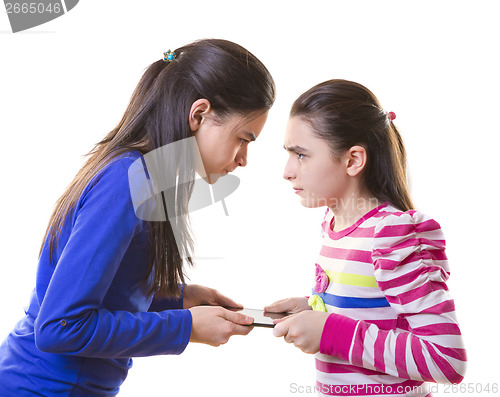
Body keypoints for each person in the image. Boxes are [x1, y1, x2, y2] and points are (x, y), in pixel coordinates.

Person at [0, 38, 275, 396]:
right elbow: (61, 327)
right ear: (199, 115)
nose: (243, 159)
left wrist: (178, 298)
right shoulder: (127, 181)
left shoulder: (144, 176)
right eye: (243, 138)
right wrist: (185, 327)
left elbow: (106, 294)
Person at [266, 79, 466, 396]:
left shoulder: (392, 234)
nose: (287, 171)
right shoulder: (333, 225)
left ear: (354, 160)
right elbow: (373, 314)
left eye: (301, 155)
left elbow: (446, 360)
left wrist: (331, 332)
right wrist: (313, 311)